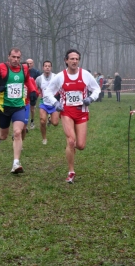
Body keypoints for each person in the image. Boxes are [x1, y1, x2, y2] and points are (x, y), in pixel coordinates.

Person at [42, 48, 100, 183]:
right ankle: (71, 171)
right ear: (66, 61)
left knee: (80, 145)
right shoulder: (60, 77)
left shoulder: (85, 75)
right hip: (66, 111)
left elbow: (96, 88)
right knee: (71, 140)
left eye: (76, 59)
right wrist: (56, 103)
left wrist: (91, 98)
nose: (74, 61)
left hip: (82, 112)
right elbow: (48, 92)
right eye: (72, 59)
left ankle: (70, 148)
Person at [0, 47, 38, 174]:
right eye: (13, 57)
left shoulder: (24, 68)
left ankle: (16, 163)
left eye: (18, 58)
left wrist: (32, 91)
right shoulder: (1, 67)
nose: (16, 60)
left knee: (17, 132)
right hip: (4, 106)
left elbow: (27, 81)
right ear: (9, 57)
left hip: (19, 105)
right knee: (4, 135)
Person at [35, 60, 60, 145]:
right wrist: (38, 93)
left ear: (51, 68)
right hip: (44, 102)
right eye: (45, 66)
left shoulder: (56, 77)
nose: (47, 67)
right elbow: (35, 88)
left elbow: (61, 87)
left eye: (49, 66)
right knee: (42, 121)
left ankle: (50, 119)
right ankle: (44, 138)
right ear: (43, 67)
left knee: (55, 123)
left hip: (54, 102)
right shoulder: (39, 79)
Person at [26, 58, 41, 129]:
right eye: (27, 63)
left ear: (33, 63)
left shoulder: (36, 72)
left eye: (30, 63)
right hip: (24, 92)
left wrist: (37, 91)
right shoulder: (22, 71)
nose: (29, 65)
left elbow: (40, 82)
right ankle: (25, 122)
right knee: (24, 108)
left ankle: (32, 121)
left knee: (32, 109)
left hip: (33, 93)